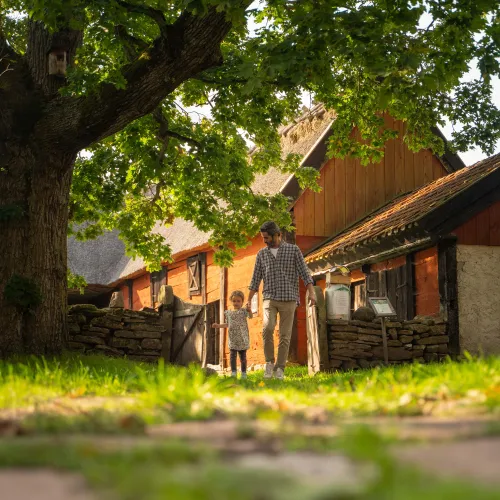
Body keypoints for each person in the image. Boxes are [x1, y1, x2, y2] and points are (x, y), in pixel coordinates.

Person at [247, 221, 316, 380]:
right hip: (269, 298)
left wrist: (312, 292)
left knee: (285, 335)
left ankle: (280, 368)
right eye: (263, 238)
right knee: (267, 328)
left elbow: (305, 273)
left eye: (267, 237)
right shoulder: (262, 254)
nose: (264, 241)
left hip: (289, 298)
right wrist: (249, 301)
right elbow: (255, 280)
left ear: (277, 235)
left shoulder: (293, 250)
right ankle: (269, 364)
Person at [212, 290, 252, 379]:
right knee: (232, 357)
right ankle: (233, 372)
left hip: (242, 338)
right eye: (234, 301)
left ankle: (244, 373)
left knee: (243, 358)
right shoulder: (229, 313)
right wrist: (218, 325)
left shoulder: (243, 311)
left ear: (242, 302)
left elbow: (251, 316)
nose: (236, 303)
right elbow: (227, 324)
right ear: (231, 301)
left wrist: (249, 310)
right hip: (233, 339)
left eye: (238, 301)